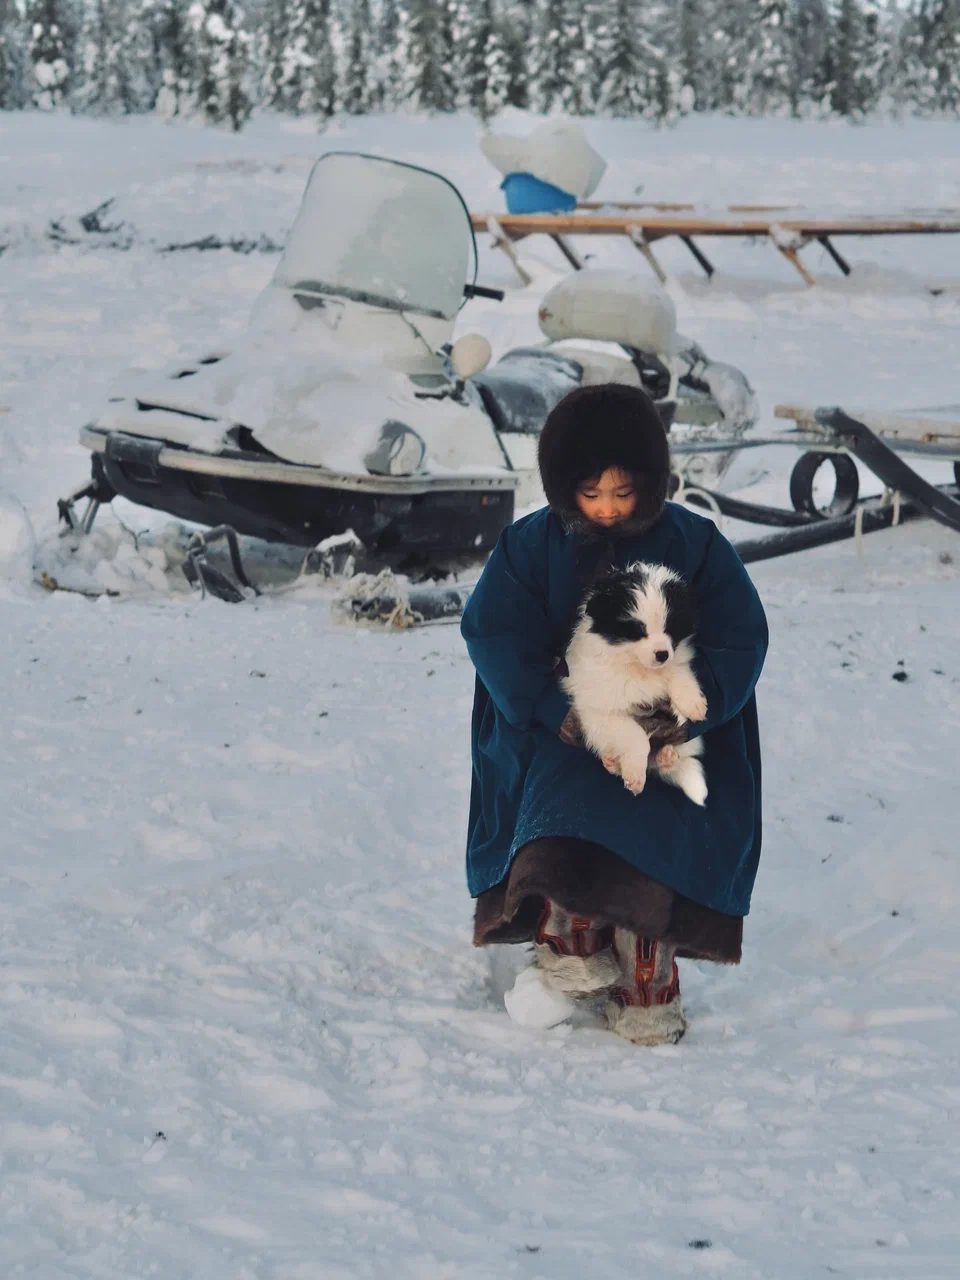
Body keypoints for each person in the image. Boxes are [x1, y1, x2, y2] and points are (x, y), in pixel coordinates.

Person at [461, 383, 768, 1046]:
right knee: (567, 787)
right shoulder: (529, 547)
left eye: (623, 493)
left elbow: (740, 635)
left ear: (651, 484)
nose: (605, 509)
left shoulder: (695, 544)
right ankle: (570, 929)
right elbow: (494, 632)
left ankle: (646, 967)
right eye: (590, 493)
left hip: (670, 722)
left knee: (658, 799)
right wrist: (554, 708)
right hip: (559, 721)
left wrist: (687, 713)